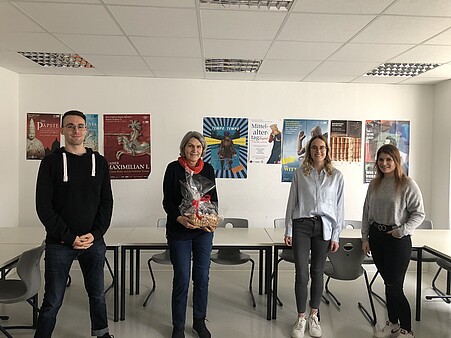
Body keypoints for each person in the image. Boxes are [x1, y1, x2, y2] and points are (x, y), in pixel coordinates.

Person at [35, 110, 114, 338]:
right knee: (53, 299)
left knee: (97, 294)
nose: (76, 130)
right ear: (62, 130)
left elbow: (106, 202)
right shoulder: (50, 162)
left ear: (86, 131)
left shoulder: (99, 162)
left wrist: (97, 233)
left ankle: (102, 333)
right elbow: (43, 206)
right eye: (70, 126)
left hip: (93, 242)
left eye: (80, 126)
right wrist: (68, 237)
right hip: (60, 244)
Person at [284, 134, 344, 338]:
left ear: (327, 151)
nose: (318, 151)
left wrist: (336, 235)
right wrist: (288, 230)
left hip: (324, 228)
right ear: (309, 150)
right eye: (314, 148)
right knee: (302, 273)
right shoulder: (300, 173)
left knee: (317, 272)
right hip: (301, 226)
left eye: (322, 148)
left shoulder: (336, 176)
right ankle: (301, 318)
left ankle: (314, 316)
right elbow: (292, 203)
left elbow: (339, 208)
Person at [362, 144, 425, 338]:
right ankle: (393, 324)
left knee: (395, 287)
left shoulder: (407, 184)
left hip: (397, 239)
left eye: (389, 159)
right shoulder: (374, 184)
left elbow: (419, 214)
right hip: (377, 236)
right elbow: (366, 213)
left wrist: (402, 231)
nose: (384, 163)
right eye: (381, 159)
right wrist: (365, 238)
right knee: (388, 283)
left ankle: (406, 329)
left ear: (397, 161)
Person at [163, 131, 218, 338]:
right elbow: (167, 202)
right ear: (183, 147)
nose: (194, 150)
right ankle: (178, 326)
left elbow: (213, 200)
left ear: (203, 150)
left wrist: (211, 221)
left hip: (203, 232)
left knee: (202, 278)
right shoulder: (173, 169)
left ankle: (199, 321)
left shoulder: (209, 169)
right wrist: (180, 218)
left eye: (198, 147)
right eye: (190, 146)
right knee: (182, 279)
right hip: (179, 231)